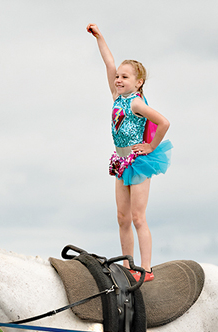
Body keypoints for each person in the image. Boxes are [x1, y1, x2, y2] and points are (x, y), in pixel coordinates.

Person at [87, 23, 172, 282]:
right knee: (122, 217)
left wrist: (151, 146)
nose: (119, 79)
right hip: (120, 161)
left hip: (139, 162)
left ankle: (145, 268)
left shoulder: (136, 102)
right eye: (118, 77)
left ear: (139, 82)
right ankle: (127, 266)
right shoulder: (116, 96)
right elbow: (108, 62)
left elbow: (164, 122)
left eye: (125, 77)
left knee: (137, 216)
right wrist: (100, 37)